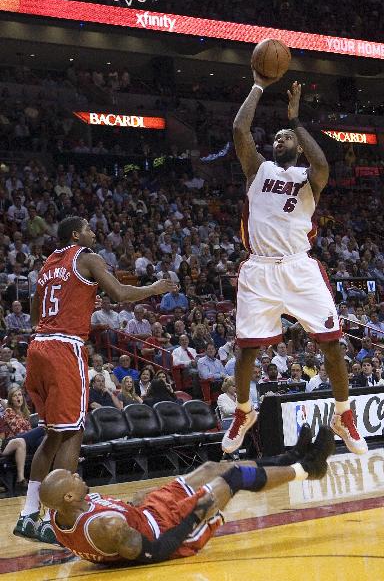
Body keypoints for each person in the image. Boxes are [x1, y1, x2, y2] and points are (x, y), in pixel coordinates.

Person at [222, 70, 367, 456]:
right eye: (275, 138)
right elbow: (240, 128)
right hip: (259, 268)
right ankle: (242, 411)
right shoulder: (258, 171)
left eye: (284, 138)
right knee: (246, 351)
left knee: (332, 344)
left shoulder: (309, 176)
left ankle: (343, 414)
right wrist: (257, 84)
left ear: (297, 146)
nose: (278, 140)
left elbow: (324, 164)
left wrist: (295, 121)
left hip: (300, 267)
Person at [14, 216, 177, 543]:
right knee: (73, 431)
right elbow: (119, 294)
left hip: (38, 347)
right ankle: (61, 515)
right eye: (88, 228)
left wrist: (75, 302)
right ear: (76, 234)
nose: (93, 232)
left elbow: (35, 314)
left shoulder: (48, 265)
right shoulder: (87, 256)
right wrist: (155, 288)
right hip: (64, 347)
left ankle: (30, 513)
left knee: (54, 434)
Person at [40, 426, 335, 565]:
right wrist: (193, 517)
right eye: (73, 478)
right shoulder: (106, 527)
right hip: (169, 530)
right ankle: (308, 468)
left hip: (147, 515)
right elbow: (152, 552)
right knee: (231, 479)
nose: (78, 476)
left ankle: (289, 457)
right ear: (68, 497)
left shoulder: (58, 513)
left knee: (211, 466)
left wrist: (133, 502)